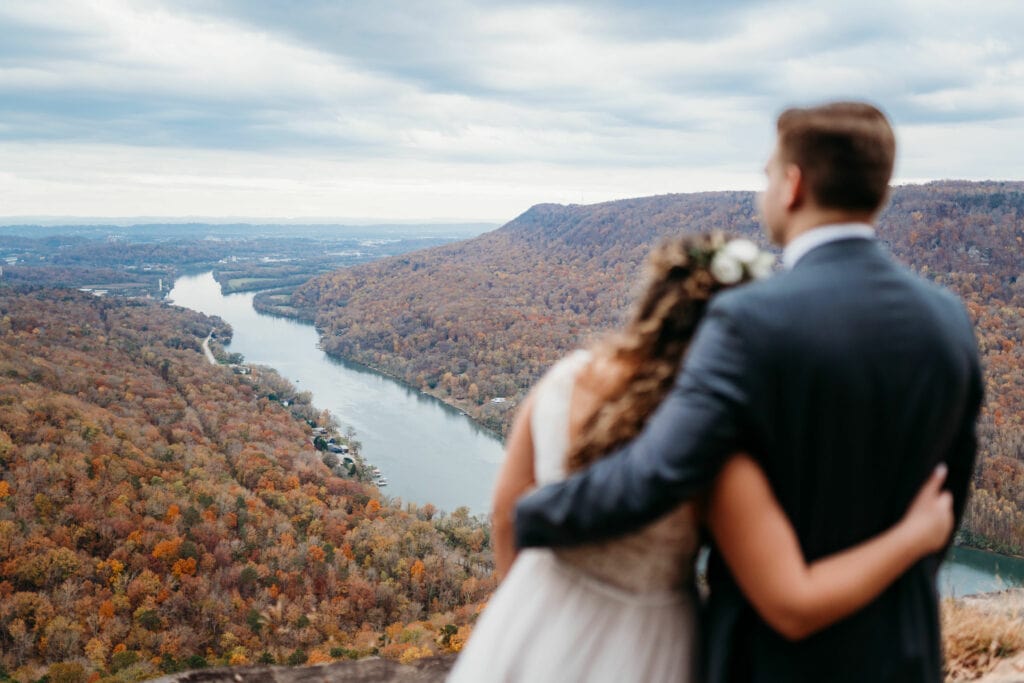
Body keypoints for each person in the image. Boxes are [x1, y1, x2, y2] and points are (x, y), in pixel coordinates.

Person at [514, 102, 983, 682]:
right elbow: (948, 494)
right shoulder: (949, 319)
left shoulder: (749, 320)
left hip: (772, 661)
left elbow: (657, 472)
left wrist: (533, 512)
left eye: (767, 174)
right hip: (901, 649)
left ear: (792, 185)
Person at [448, 233, 957, 683]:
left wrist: (523, 608)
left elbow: (504, 515)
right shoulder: (716, 447)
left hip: (532, 616)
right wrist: (914, 535)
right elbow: (792, 601)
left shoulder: (567, 378)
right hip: (647, 642)